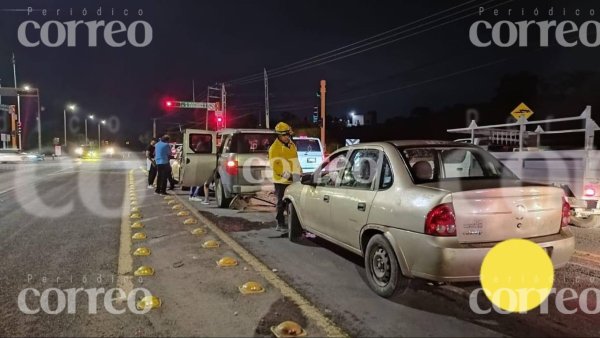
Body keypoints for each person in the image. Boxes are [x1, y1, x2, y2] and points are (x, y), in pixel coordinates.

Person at [268, 122, 302, 231]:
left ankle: (294, 223)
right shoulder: (274, 148)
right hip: (281, 181)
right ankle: (280, 223)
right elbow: (274, 164)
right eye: (285, 135)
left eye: (288, 135)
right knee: (281, 203)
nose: (287, 137)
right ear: (279, 135)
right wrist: (285, 174)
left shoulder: (292, 145)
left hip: (294, 179)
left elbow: (296, 160)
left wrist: (300, 171)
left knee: (293, 203)